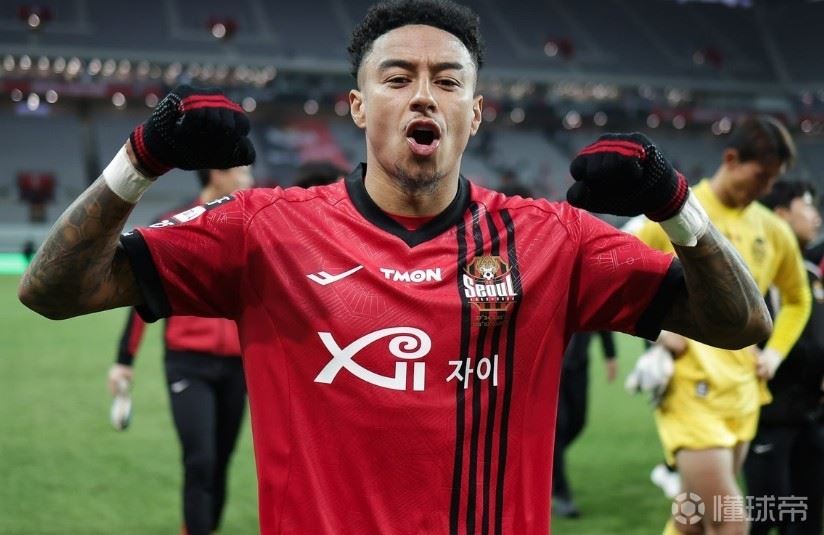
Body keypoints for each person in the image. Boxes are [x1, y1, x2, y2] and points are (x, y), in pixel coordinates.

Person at [18, 1, 772, 532]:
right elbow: (53, 289)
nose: (424, 96)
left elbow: (740, 322)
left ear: (475, 113)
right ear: (357, 105)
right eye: (398, 77)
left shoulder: (552, 239)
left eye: (448, 80)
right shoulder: (263, 229)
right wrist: (141, 158)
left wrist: (676, 204)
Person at [629, 116, 811, 535]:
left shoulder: (772, 229)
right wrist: (658, 331)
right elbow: (617, 274)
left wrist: (775, 354)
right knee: (730, 522)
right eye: (761, 176)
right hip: (691, 392)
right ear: (731, 159)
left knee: (691, 520)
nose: (767, 189)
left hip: (742, 392)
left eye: (773, 180)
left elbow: (798, 298)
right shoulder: (675, 213)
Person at [106, 167, 252, 535]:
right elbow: (141, 296)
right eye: (243, 171)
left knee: (220, 462)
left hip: (238, 367)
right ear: (217, 174)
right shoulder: (175, 224)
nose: (249, 179)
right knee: (200, 460)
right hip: (188, 364)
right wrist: (124, 361)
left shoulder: (253, 226)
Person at [743, 180, 824, 535]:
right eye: (807, 207)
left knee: (808, 520)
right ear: (780, 215)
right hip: (768, 417)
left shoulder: (810, 274)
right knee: (767, 516)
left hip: (811, 415)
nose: (816, 216)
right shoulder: (751, 274)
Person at [552, 331, 617, 518]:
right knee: (558, 428)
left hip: (578, 364)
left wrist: (610, 354)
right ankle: (562, 494)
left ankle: (547, 460)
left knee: (578, 422)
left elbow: (601, 317)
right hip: (550, 366)